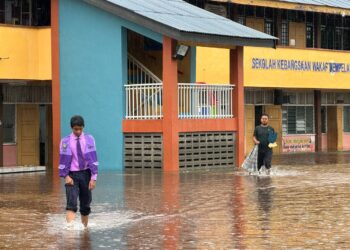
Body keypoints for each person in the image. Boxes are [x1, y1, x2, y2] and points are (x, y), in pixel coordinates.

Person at [59, 115, 98, 228]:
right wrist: (65, 176)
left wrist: (93, 178)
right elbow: (62, 160)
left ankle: (85, 230)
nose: (78, 131)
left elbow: (94, 158)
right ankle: (70, 233)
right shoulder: (65, 141)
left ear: (83, 127)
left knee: (85, 205)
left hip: (86, 174)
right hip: (71, 175)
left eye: (80, 129)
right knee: (71, 204)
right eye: (76, 129)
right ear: (72, 128)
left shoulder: (90, 139)